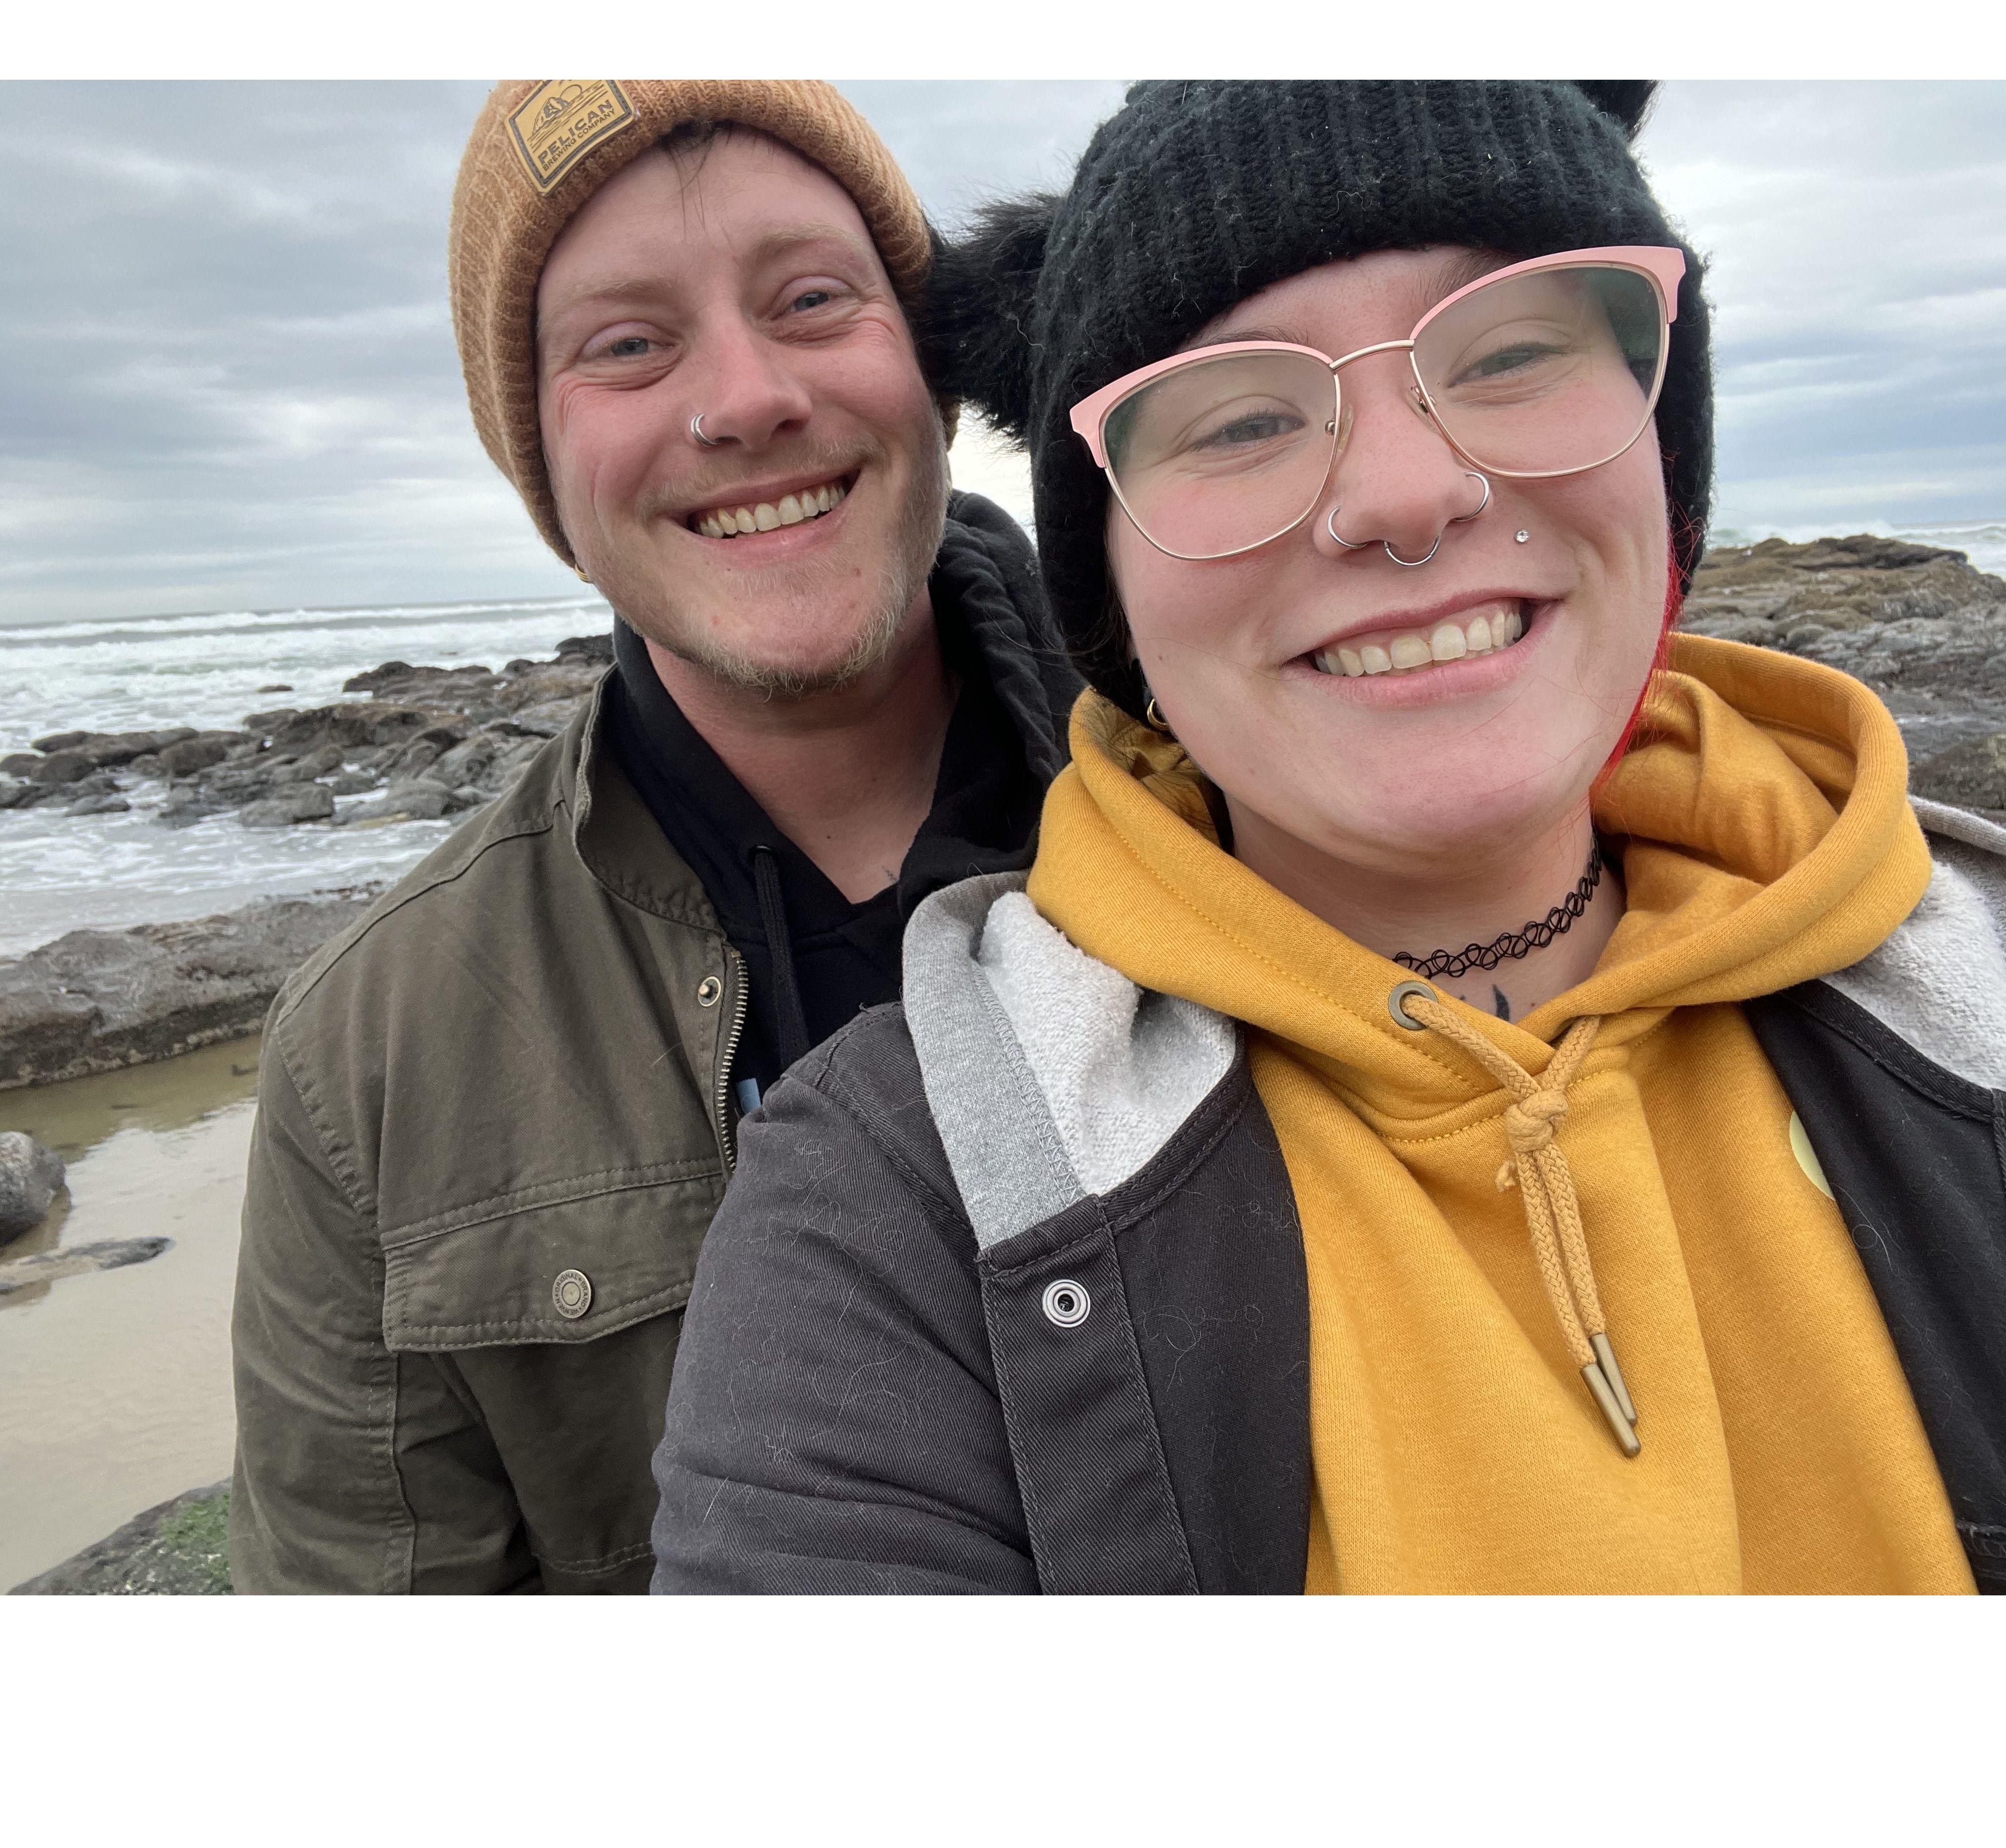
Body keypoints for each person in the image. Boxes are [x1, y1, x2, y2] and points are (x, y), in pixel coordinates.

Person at [651, 81, 2006, 1594]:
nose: (1407, 494)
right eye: (1241, 419)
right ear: (1114, 596)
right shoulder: (896, 1207)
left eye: (1508, 355)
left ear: (1664, 451)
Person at [228, 81, 1079, 1592]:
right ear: (539, 462)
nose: (745, 398)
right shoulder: (369, 1051)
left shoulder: (1262, 810)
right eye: (628, 343)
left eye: (812, 300)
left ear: (929, 366)